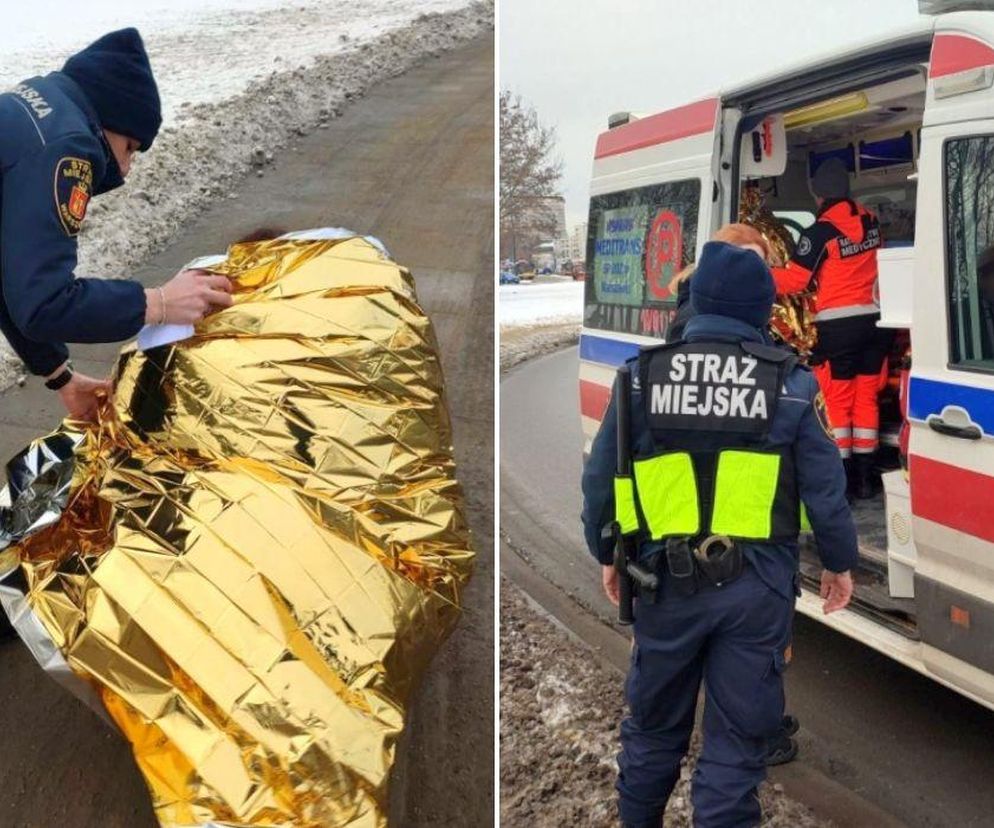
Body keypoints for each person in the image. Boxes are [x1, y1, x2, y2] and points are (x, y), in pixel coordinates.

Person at [581, 241, 857, 827]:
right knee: (736, 747)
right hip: (755, 591)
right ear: (762, 310)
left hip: (660, 582)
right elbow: (826, 489)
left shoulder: (638, 378)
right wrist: (839, 563)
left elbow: (600, 481)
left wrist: (608, 553)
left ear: (696, 300)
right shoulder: (791, 383)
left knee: (653, 732)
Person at [0, 28, 232, 422]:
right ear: (112, 115)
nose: (124, 169)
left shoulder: (37, 109)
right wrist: (158, 303)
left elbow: (10, 274)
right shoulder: (66, 146)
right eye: (129, 148)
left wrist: (60, 376)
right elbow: (45, 304)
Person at [769, 157, 893, 498]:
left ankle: (843, 480)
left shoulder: (820, 231)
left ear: (818, 194)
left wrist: (758, 271)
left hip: (839, 327)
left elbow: (796, 280)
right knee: (866, 397)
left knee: (838, 402)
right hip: (877, 322)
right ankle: (867, 479)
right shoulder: (870, 220)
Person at [668, 223, 772, 341]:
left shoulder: (748, 307)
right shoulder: (696, 313)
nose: (750, 269)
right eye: (740, 261)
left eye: (758, 263)